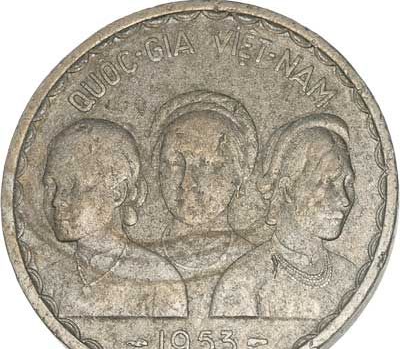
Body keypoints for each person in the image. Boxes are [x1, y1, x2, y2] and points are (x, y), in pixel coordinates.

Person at [211, 113, 358, 320]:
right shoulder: (241, 284)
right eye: (328, 182)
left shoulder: (350, 276)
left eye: (348, 183)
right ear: (287, 189)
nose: (344, 199)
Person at [42, 118, 187, 317]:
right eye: (51, 185)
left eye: (73, 185)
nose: (57, 200)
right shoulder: (48, 278)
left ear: (118, 193)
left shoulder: (160, 282)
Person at [152, 91, 258, 317]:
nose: (187, 182)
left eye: (206, 165)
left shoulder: (257, 266)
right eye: (174, 163)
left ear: (239, 174)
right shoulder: (141, 265)